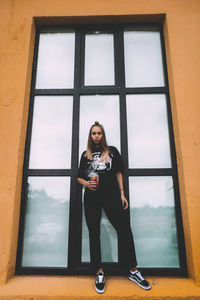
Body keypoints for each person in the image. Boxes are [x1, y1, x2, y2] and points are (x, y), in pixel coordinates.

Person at [77, 121, 151, 293]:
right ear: (90, 136)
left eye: (99, 133)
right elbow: (78, 177)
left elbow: (118, 172)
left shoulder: (112, 151)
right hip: (91, 197)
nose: (96, 136)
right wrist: (87, 184)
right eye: (93, 133)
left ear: (103, 135)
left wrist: (122, 193)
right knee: (94, 232)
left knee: (124, 228)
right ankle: (99, 272)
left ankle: (133, 270)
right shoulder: (85, 154)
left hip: (111, 195)